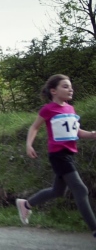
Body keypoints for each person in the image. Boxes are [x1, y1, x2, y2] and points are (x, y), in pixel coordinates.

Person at [17, 74, 96, 238]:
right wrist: (28, 144)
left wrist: (91, 134)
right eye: (65, 86)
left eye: (70, 86)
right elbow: (34, 127)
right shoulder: (48, 109)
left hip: (69, 154)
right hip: (58, 155)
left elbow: (76, 132)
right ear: (53, 91)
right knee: (80, 189)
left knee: (57, 191)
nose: (70, 89)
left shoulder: (70, 108)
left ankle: (26, 204)